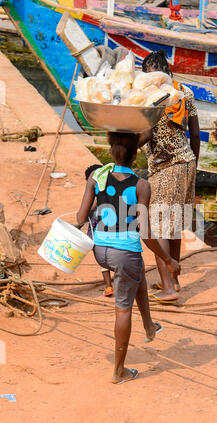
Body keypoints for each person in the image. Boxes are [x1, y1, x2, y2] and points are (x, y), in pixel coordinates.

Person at [77, 132, 180, 384]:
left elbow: (81, 218)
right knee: (122, 309)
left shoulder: (96, 177)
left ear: (111, 150)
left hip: (100, 251)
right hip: (124, 253)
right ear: (136, 155)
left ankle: (149, 326)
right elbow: (145, 233)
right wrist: (168, 260)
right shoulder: (141, 185)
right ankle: (119, 371)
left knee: (136, 269)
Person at [138, 50, 200, 303]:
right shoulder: (184, 91)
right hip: (188, 163)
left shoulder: (154, 99)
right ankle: (173, 279)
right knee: (174, 225)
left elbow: (145, 136)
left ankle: (169, 288)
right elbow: (195, 134)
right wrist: (194, 164)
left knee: (159, 227)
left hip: (166, 168)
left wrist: (123, 145)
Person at [85, 164, 114, 297]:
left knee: (102, 256)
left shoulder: (96, 193)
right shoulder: (113, 188)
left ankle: (108, 286)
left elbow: (86, 213)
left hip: (99, 231)